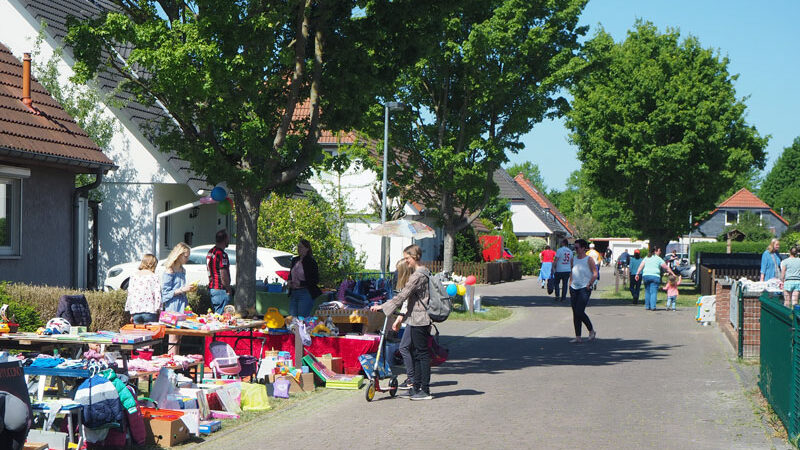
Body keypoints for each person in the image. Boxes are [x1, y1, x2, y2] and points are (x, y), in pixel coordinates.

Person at [371, 244, 433, 400]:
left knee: (422, 355)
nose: (406, 262)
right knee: (416, 353)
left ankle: (424, 390)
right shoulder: (424, 272)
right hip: (416, 317)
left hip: (420, 318)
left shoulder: (418, 275)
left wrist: (383, 307)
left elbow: (402, 295)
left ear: (415, 257)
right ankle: (416, 387)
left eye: (407, 258)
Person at [162, 242, 196, 355]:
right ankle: (172, 364)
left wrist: (189, 289)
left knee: (179, 337)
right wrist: (183, 290)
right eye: (185, 256)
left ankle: (176, 362)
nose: (187, 259)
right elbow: (165, 294)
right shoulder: (169, 270)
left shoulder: (182, 270)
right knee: (173, 337)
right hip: (173, 306)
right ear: (179, 255)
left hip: (182, 304)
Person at [568, 239, 597, 343]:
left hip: (585, 287)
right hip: (574, 288)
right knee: (575, 313)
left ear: (583, 248)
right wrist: (570, 283)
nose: (575, 250)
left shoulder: (589, 259)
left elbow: (595, 273)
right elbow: (571, 271)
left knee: (579, 311)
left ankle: (591, 330)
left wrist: (590, 284)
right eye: (574, 248)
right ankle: (578, 337)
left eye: (577, 247)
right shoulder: (573, 259)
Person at [391, 259, 414, 390]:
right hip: (415, 319)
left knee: (404, 347)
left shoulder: (409, 285)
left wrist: (398, 318)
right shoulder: (411, 283)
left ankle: (412, 378)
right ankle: (413, 378)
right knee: (411, 349)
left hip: (415, 320)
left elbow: (405, 303)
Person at [288, 239, 322, 318]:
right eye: (298, 247)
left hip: (305, 292)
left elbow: (315, 280)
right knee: (292, 318)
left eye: (301, 247)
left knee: (302, 318)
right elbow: (291, 273)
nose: (298, 249)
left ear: (307, 249)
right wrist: (289, 280)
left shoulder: (311, 262)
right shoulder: (294, 260)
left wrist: (301, 283)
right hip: (294, 292)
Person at [124, 254, 162, 324]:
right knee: (149, 334)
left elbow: (130, 294)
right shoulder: (154, 277)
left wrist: (131, 313)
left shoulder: (134, 276)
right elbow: (157, 295)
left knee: (138, 334)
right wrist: (159, 310)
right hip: (150, 311)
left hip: (136, 311)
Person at [207, 229, 232, 314]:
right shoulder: (222, 255)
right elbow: (223, 273)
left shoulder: (211, 252)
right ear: (225, 240)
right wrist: (228, 289)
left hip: (212, 288)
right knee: (220, 318)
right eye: (228, 238)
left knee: (216, 315)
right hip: (220, 289)